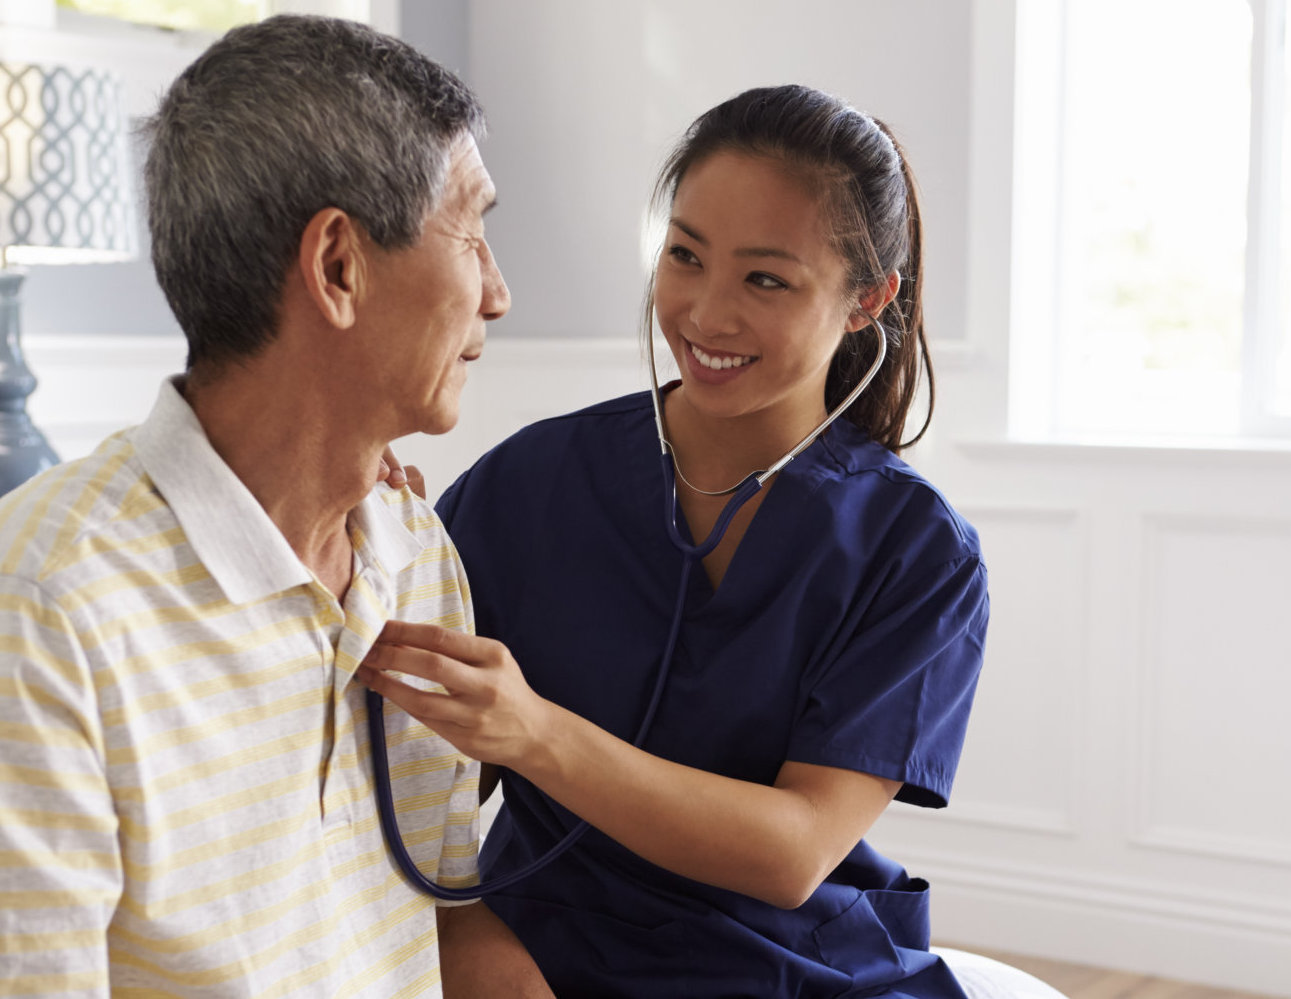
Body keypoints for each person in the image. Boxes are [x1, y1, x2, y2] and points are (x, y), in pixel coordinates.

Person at [0, 16, 549, 997]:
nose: (498, 293)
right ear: (338, 267)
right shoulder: (41, 608)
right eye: (472, 229)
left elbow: (446, 928)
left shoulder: (414, 553)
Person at [358, 84, 990, 997]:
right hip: (546, 934)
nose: (705, 313)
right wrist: (374, 542)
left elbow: (795, 850)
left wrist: (536, 732)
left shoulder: (918, 553)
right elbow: (408, 765)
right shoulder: (533, 482)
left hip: (796, 961)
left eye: (765, 278)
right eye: (685, 256)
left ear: (866, 301)